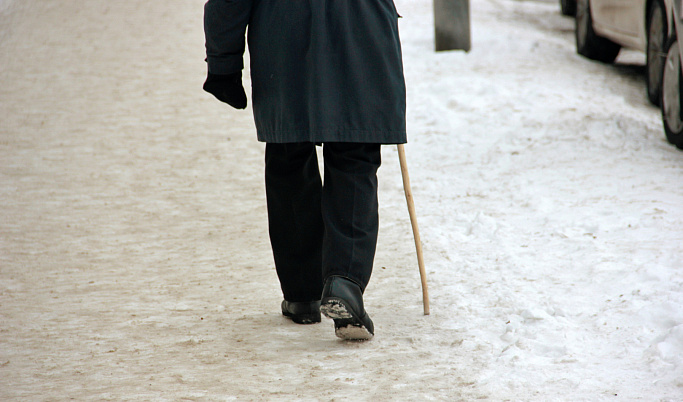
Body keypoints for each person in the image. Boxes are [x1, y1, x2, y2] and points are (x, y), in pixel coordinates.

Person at [203, 0, 406, 340]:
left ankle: (302, 294)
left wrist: (223, 61)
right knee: (354, 155)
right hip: (361, 29)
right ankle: (345, 282)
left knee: (289, 156)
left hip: (284, 37)